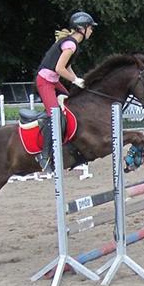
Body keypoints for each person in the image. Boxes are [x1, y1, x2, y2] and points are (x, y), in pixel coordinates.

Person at [34, 11, 96, 172]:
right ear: (82, 28)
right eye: (90, 27)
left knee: (71, 106)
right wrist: (75, 80)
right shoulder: (71, 45)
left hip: (53, 81)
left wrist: (78, 80)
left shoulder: (72, 43)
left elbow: (67, 67)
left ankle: (71, 148)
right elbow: (59, 68)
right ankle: (44, 156)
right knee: (55, 115)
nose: (92, 30)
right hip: (45, 81)